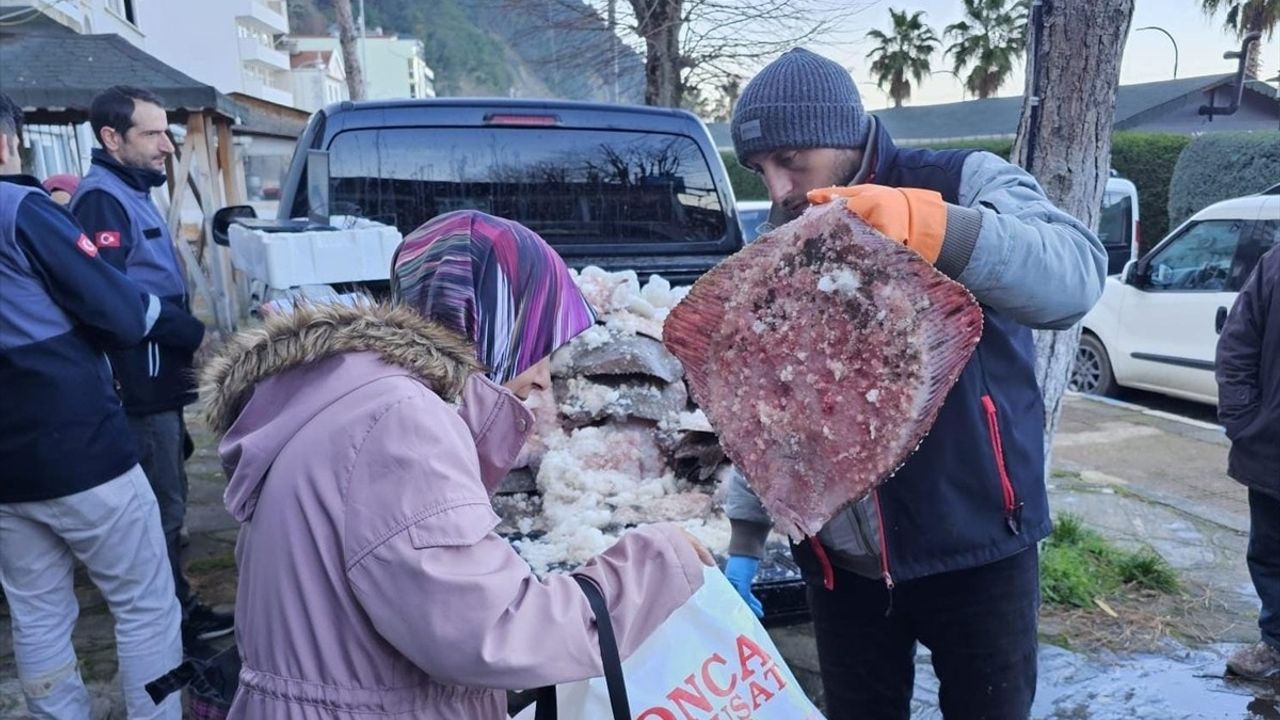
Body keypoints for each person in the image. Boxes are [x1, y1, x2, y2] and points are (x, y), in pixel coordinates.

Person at [199, 209, 713, 719]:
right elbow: (492, 634)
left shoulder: (346, 393)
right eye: (536, 344)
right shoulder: (399, 422)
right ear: (486, 322)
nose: (541, 380)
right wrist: (656, 561)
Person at [721, 49, 1107, 719]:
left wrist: (932, 226)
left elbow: (1073, 276)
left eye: (793, 162)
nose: (777, 186)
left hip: (977, 544)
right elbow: (764, 402)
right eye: (760, 169)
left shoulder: (962, 180)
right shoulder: (781, 234)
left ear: (843, 137)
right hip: (840, 562)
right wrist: (746, 538)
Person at [0, 92, 183, 719]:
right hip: (78, 446)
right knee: (146, 603)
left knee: (38, 610)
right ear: (8, 141)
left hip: (7, 470)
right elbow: (118, 309)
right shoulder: (21, 208)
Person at [69, 85, 228, 644]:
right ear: (112, 138)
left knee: (171, 483)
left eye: (168, 131)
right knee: (162, 504)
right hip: (138, 380)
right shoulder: (102, 198)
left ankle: (174, 606)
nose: (167, 145)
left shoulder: (131, 188)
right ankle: (170, 621)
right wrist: (188, 330)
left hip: (159, 373)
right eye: (153, 133)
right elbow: (109, 296)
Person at [1217, 240, 1280, 681]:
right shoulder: (1275, 264)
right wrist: (1244, 419)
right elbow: (1238, 342)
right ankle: (1275, 644)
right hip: (1274, 448)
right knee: (1270, 552)